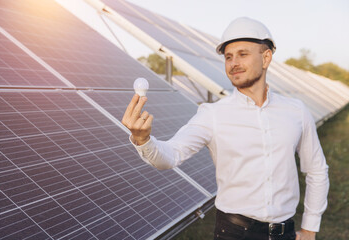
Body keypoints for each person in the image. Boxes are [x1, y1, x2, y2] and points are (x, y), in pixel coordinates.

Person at [122, 17, 329, 240]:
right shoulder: (213, 114)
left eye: (243, 54)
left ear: (266, 57)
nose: (233, 63)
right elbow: (169, 157)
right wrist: (143, 139)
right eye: (228, 57)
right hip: (234, 234)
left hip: (284, 234)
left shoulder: (296, 111)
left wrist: (310, 228)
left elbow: (317, 170)